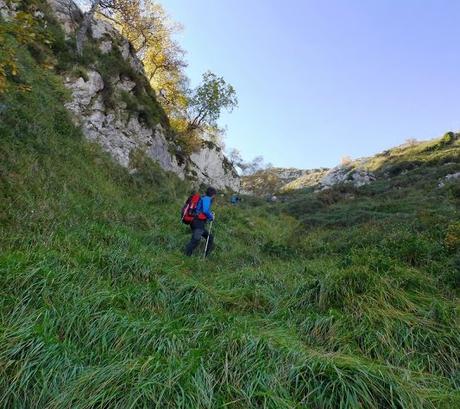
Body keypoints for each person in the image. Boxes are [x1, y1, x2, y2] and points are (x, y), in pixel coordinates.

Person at [185, 187, 216, 257]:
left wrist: (210, 214)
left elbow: (202, 210)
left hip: (196, 222)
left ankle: (206, 255)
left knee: (209, 237)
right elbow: (205, 210)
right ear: (213, 195)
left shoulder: (203, 198)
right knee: (195, 240)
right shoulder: (207, 199)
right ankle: (186, 256)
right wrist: (211, 216)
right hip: (198, 222)